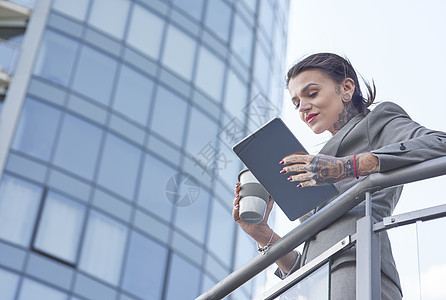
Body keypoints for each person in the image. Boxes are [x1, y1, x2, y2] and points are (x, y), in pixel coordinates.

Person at [232, 52, 446, 299]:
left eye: (311, 94)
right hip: (317, 282)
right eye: (296, 103)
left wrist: (346, 166)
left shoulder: (376, 120)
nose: (302, 108)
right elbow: (307, 265)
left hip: (358, 267)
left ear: (346, 88)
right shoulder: (313, 164)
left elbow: (439, 143)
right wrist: (261, 233)